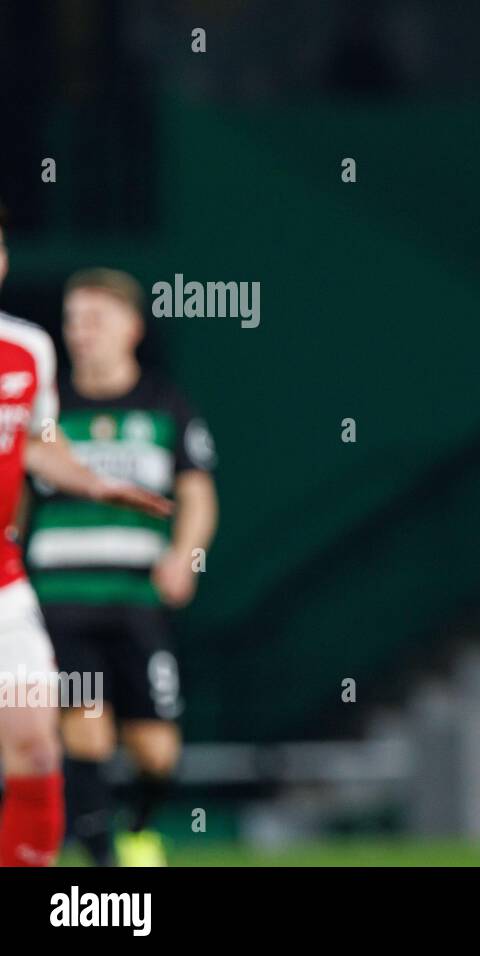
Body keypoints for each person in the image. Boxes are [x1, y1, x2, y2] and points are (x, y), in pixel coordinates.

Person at [26, 268, 217, 867]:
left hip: (136, 600)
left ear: (132, 327)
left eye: (96, 319)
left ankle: (136, 828)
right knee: (85, 725)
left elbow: (199, 495)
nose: (80, 333)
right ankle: (102, 863)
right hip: (59, 598)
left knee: (156, 749)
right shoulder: (46, 408)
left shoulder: (165, 404)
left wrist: (186, 557)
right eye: (72, 320)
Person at [0, 204, 170, 866]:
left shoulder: (28, 349)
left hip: (4, 584)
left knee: (38, 747)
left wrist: (91, 480)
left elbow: (39, 445)